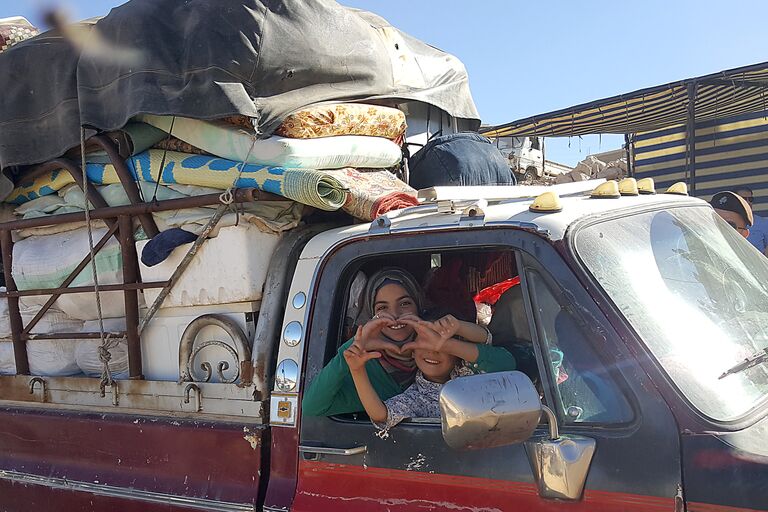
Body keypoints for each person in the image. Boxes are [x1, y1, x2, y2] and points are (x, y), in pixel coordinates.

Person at [301, 267, 501, 417]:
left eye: (405, 304)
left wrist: (446, 342)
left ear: (418, 307)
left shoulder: (449, 358)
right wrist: (356, 346)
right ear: (371, 314)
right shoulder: (366, 364)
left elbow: (500, 360)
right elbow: (312, 407)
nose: (394, 316)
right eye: (382, 308)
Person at [343, 315, 517, 431]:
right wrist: (357, 370)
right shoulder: (416, 398)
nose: (433, 352)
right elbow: (381, 414)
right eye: (424, 344)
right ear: (412, 351)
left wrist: (454, 332)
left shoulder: (472, 371)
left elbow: (505, 362)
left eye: (439, 346)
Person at [735, 187, 768, 254]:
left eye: (750, 199)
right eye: (743, 199)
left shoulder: (763, 223)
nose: (748, 202)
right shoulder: (727, 221)